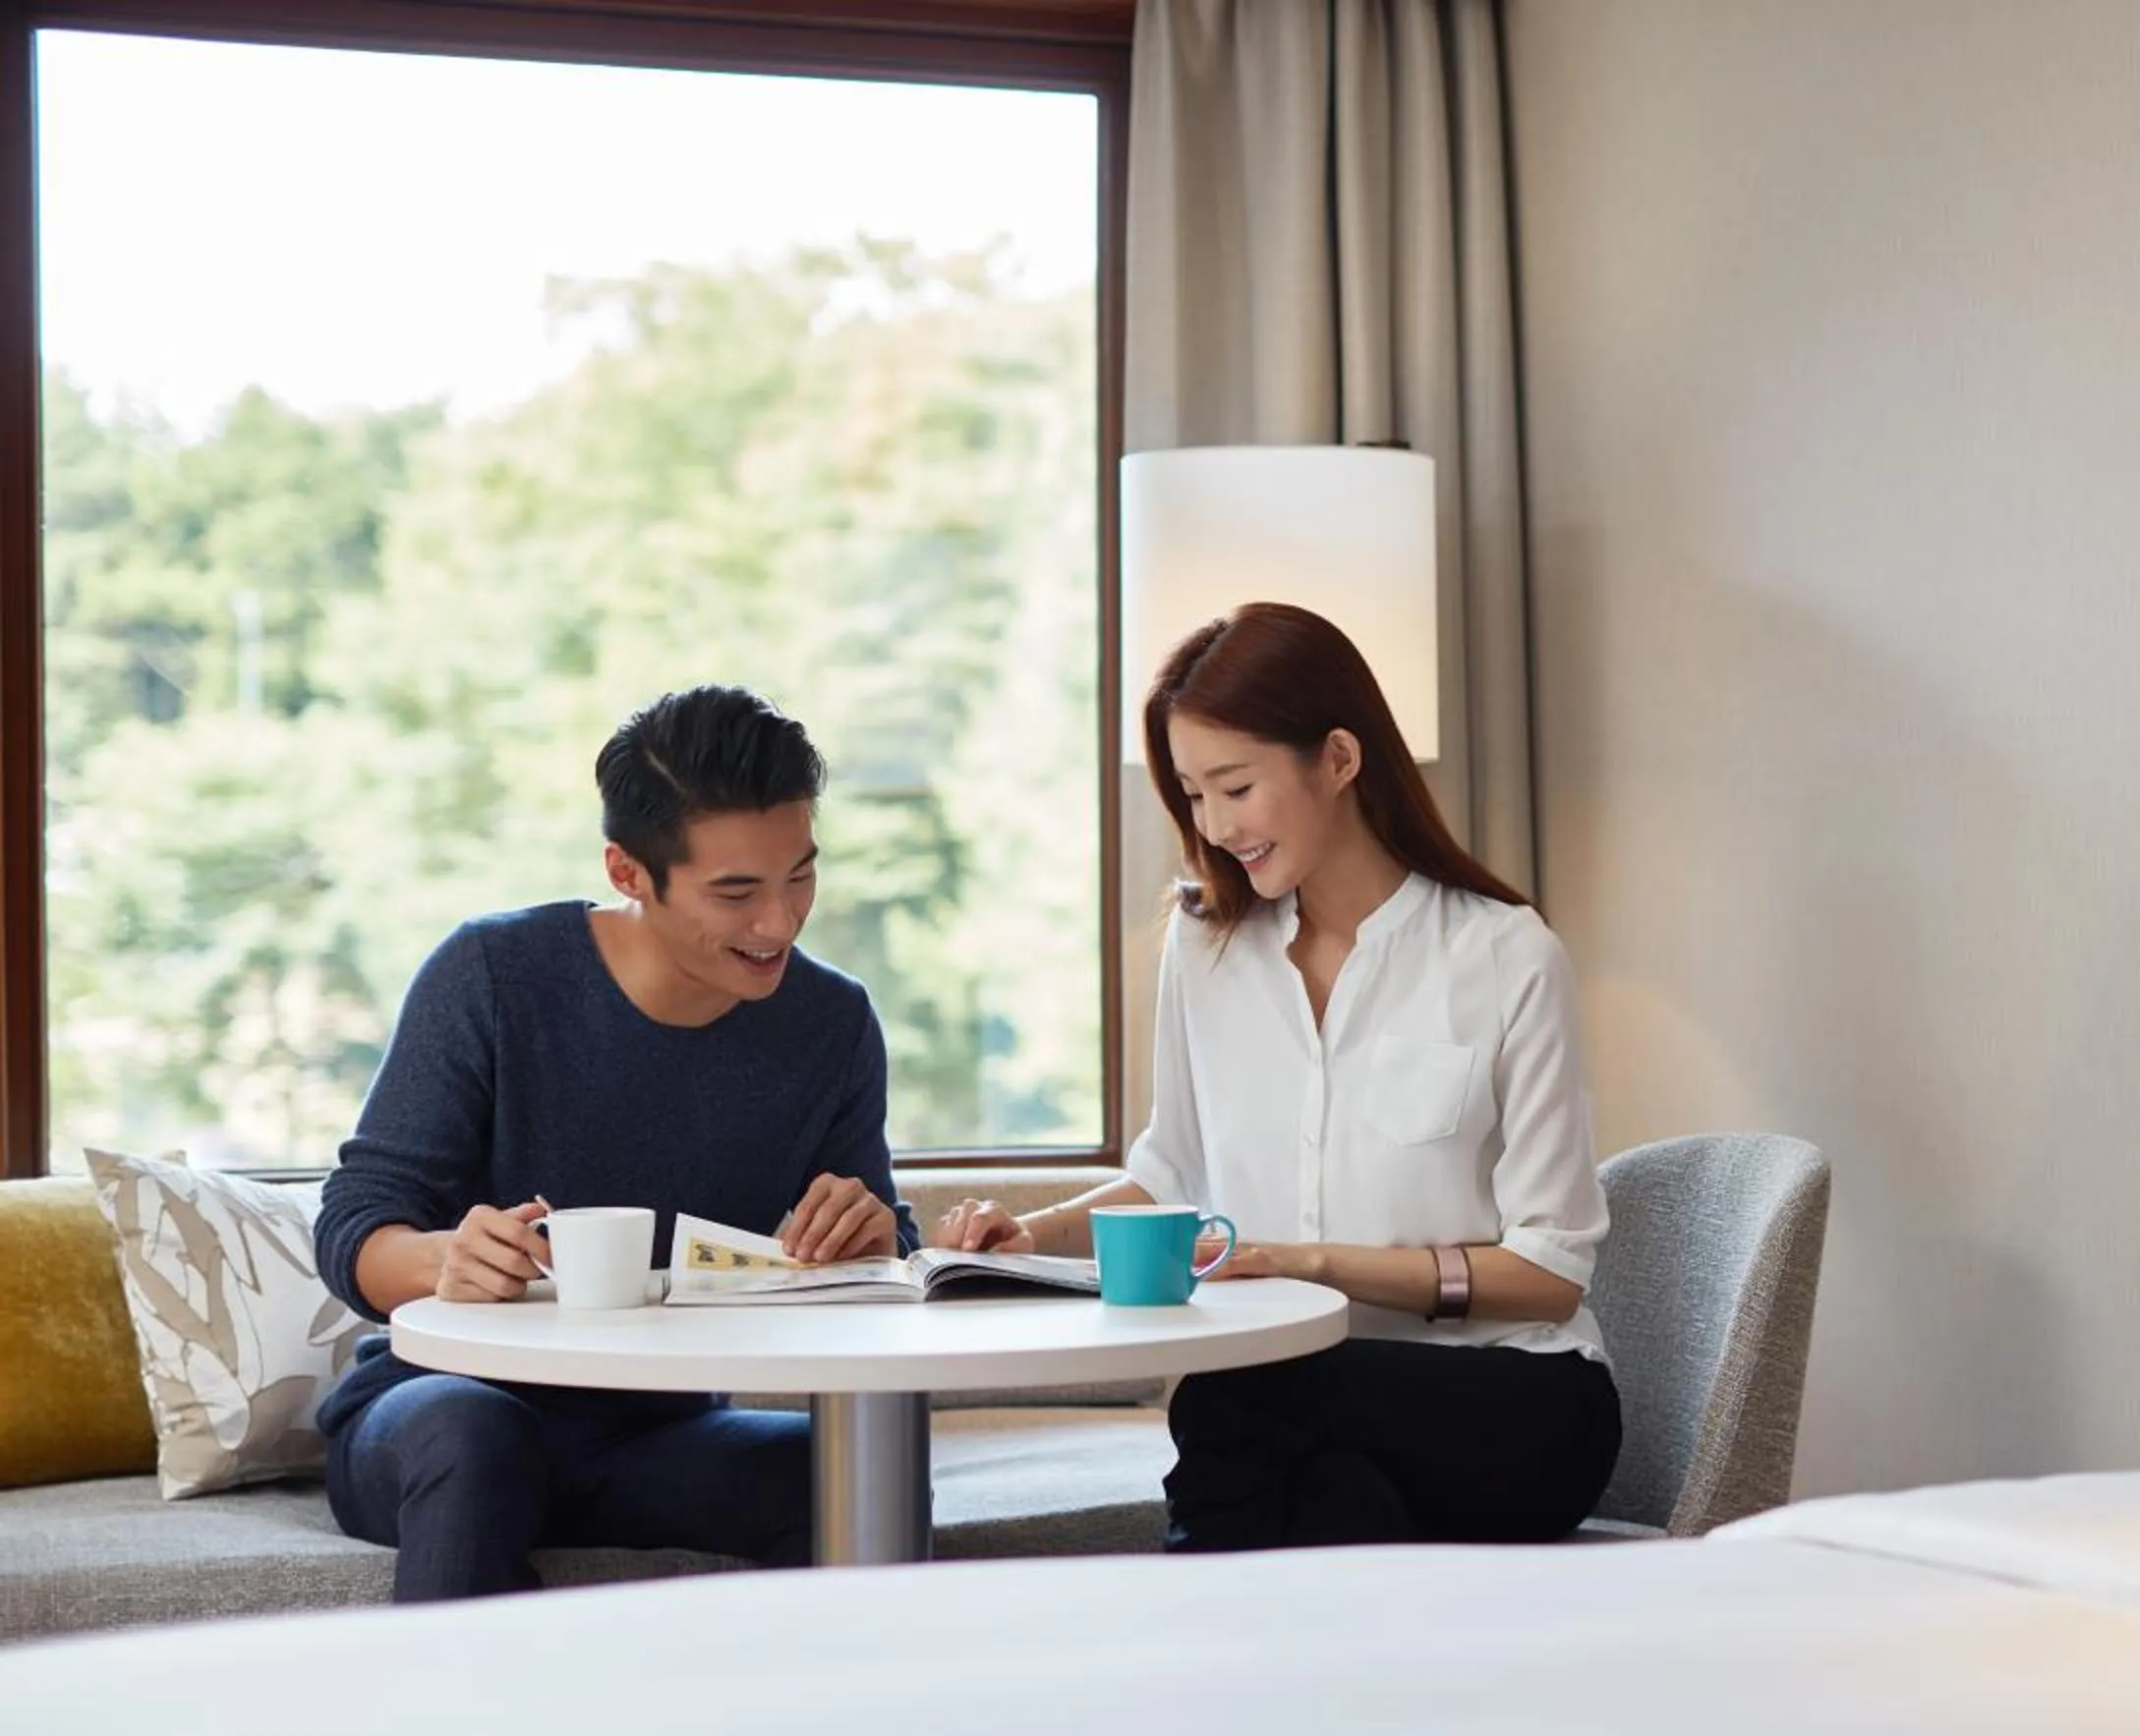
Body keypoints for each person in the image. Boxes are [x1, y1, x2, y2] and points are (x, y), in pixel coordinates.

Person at [934, 602, 1619, 1550]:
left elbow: (1548, 1274)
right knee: (1337, 1504)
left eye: (1236, 787)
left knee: (1246, 1390)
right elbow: (1172, 1172)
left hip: (1515, 1404)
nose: (1216, 825)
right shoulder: (1205, 949)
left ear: (1338, 758)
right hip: (1310, 1420)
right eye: (1192, 794)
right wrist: (1026, 1239)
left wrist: (1312, 1265)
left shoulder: (1505, 956)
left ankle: (1184, 1637)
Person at [312, 685, 912, 1601]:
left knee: (843, 1478)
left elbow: (887, 1255)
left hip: (653, 1436)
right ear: (630, 873)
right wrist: (448, 1261)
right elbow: (353, 1227)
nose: (780, 922)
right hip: (437, 1412)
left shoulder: (830, 1023)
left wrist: (873, 1240)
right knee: (479, 1438)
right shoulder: (494, 974)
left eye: (800, 874)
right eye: (737, 892)